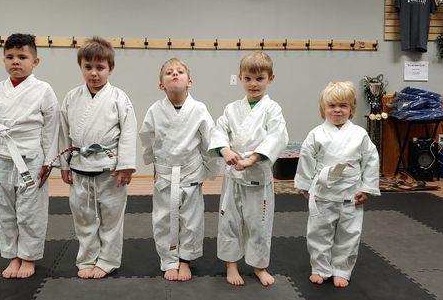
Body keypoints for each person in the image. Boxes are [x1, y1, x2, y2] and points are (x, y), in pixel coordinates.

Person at [0, 33, 60, 279]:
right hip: (2, 156)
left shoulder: (44, 90)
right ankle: (12, 255)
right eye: (10, 57)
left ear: (35, 62)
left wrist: (49, 161)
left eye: (22, 56)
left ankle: (28, 257)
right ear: (3, 60)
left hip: (31, 158)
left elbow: (51, 128)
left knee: (30, 210)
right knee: (5, 208)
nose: (16, 61)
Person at [59, 37, 137, 279]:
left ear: (110, 68)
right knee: (83, 217)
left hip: (109, 168)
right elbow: (63, 133)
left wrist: (126, 166)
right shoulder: (72, 97)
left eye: (100, 67)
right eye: (88, 67)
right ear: (81, 67)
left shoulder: (119, 98)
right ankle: (87, 258)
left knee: (111, 217)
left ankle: (108, 260)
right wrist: (64, 165)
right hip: (80, 165)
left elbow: (128, 132)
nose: (94, 73)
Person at [209, 51, 288, 287]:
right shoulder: (232, 109)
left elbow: (277, 137)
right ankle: (231, 265)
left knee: (259, 223)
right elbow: (219, 131)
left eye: (260, 78)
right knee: (230, 220)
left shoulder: (272, 109)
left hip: (258, 176)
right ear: (240, 78)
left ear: (270, 78)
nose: (254, 84)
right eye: (248, 78)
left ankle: (259, 266)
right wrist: (225, 151)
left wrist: (253, 158)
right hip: (234, 175)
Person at [294, 81, 380, 288]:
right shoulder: (316, 134)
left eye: (343, 105)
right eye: (332, 106)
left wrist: (367, 188)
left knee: (349, 234)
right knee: (318, 233)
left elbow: (371, 160)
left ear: (351, 109)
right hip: (323, 192)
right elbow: (306, 158)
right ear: (323, 108)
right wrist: (305, 185)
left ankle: (342, 269)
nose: (337, 110)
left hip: (351, 194)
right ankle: (320, 268)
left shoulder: (359, 134)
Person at [139, 58, 216, 281]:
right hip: (164, 173)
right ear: (161, 84)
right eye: (169, 72)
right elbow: (147, 138)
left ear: (189, 81)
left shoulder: (199, 109)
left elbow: (209, 140)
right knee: (163, 218)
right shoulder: (155, 110)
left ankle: (185, 260)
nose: (175, 74)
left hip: (191, 172)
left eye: (180, 71)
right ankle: (168, 259)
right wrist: (151, 162)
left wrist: (208, 169)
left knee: (191, 219)